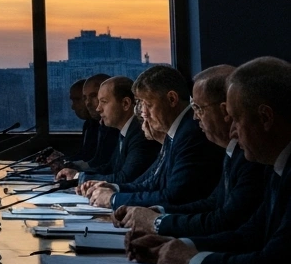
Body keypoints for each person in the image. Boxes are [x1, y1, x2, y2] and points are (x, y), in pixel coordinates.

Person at [127, 56, 291, 264]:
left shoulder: (260, 162)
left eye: (236, 119)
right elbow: (249, 234)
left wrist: (190, 258)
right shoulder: (274, 166)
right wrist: (179, 245)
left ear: (266, 118)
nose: (231, 130)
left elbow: (271, 258)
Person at [117, 65, 268, 238]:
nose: (195, 117)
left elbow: (229, 221)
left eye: (199, 108)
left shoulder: (245, 153)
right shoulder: (234, 150)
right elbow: (213, 203)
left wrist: (157, 221)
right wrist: (158, 212)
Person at [84, 65, 223, 210]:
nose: (143, 112)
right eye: (141, 103)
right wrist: (115, 189)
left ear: (171, 99)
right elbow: (151, 182)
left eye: (148, 104)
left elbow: (175, 196)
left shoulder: (191, 133)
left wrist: (114, 199)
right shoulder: (176, 130)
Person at [58, 76, 160, 187]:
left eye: (104, 102)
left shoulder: (141, 134)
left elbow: (126, 178)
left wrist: (79, 177)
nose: (98, 108)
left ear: (125, 103)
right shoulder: (126, 131)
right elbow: (109, 168)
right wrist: (77, 174)